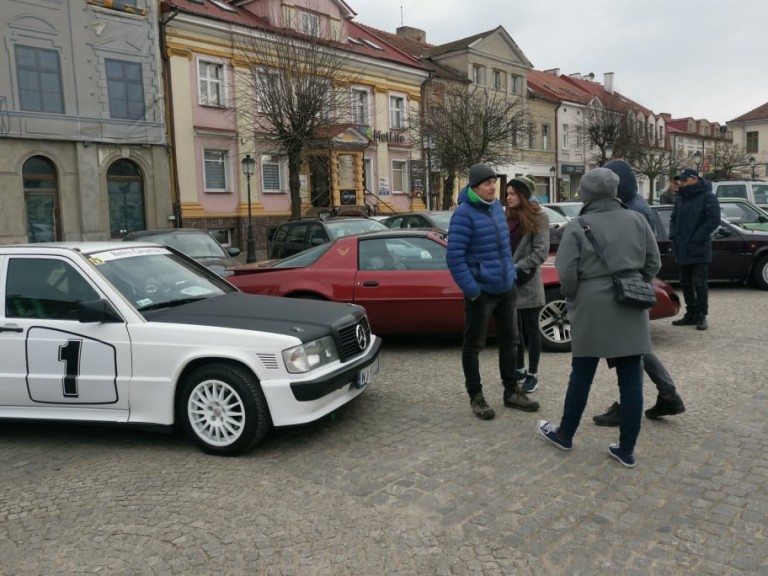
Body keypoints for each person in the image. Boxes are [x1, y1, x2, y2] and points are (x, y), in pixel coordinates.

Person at [537, 167, 661, 468]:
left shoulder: (579, 225)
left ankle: (565, 434)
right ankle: (626, 449)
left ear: (587, 194)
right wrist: (634, 281)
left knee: (581, 373)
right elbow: (653, 263)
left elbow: (566, 271)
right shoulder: (637, 219)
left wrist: (574, 294)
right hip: (629, 300)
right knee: (631, 380)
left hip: (590, 303)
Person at [592, 160, 686, 426]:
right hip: (632, 287)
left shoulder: (633, 210)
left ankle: (636, 404)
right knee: (635, 347)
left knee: (630, 348)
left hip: (628, 290)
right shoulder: (633, 205)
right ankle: (667, 395)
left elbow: (645, 257)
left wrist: (635, 282)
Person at [447, 163, 539, 420]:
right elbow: (454, 258)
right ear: (475, 187)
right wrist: (473, 290)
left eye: (494, 182)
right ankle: (476, 395)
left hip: (506, 288)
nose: (493, 186)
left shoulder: (497, 210)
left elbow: (503, 250)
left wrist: (509, 274)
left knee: (511, 341)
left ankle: (511, 392)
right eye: (488, 183)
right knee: (473, 345)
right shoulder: (463, 214)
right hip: (482, 292)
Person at [505, 176, 550, 394]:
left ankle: (533, 374)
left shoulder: (539, 217)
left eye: (513, 193)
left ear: (523, 195)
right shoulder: (507, 217)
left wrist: (518, 266)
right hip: (509, 281)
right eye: (507, 194)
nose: (508, 197)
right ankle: (519, 369)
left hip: (528, 280)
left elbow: (541, 251)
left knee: (532, 329)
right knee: (515, 331)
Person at [669, 168, 721, 331]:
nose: (681, 183)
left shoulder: (708, 197)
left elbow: (713, 220)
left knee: (699, 283)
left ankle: (701, 315)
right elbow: (673, 219)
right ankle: (690, 313)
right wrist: (674, 236)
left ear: (694, 179)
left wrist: (697, 237)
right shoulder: (681, 198)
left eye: (684, 180)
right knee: (685, 282)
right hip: (682, 246)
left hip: (699, 248)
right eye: (680, 180)